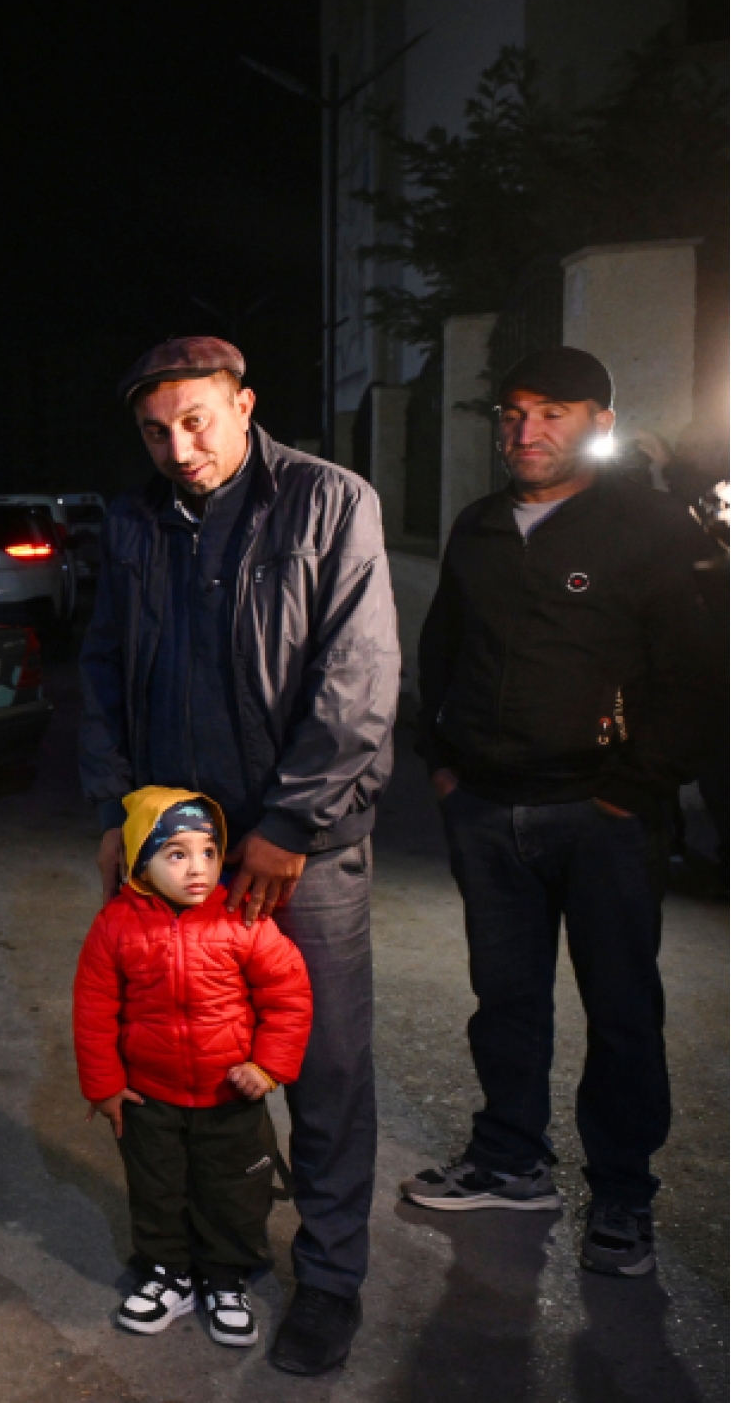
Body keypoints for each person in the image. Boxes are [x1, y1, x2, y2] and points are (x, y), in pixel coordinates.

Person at [79, 337, 399, 1373]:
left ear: (245, 405)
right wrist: (113, 811)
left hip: (301, 851)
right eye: (154, 431)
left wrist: (290, 823)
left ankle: (331, 1277)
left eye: (196, 421)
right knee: (187, 1056)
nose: (178, 449)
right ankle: (208, 1254)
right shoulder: (133, 521)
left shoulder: (330, 502)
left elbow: (358, 677)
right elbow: (101, 667)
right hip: (180, 857)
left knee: (324, 1065)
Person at [402, 346, 716, 1278]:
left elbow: (700, 675)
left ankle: (622, 1193)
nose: (525, 430)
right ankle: (511, 1160)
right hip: (486, 807)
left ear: (599, 424)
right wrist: (443, 761)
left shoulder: (649, 527)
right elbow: (441, 648)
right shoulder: (479, 525)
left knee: (621, 1011)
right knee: (505, 1000)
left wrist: (634, 787)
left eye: (551, 412)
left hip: (601, 817)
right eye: (513, 413)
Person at [73, 786, 312, 1346]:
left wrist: (268, 1068)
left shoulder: (242, 918)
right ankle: (167, 1275)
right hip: (148, 1097)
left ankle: (227, 1279)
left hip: (230, 1097)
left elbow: (289, 997)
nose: (198, 868)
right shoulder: (115, 926)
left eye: (208, 851)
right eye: (176, 854)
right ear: (140, 862)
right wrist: (104, 1087)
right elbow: (93, 1010)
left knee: (234, 1192)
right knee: (156, 1190)